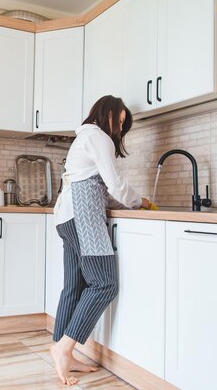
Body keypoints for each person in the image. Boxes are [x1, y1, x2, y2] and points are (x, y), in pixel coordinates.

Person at [50, 95, 150, 386]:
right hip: (82, 218)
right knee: (104, 283)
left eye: (122, 125)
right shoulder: (97, 137)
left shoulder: (84, 138)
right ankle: (63, 348)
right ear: (105, 112)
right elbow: (115, 184)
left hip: (66, 216)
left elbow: (96, 186)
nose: (119, 129)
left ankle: (61, 350)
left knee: (75, 285)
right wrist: (138, 201)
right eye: (118, 121)